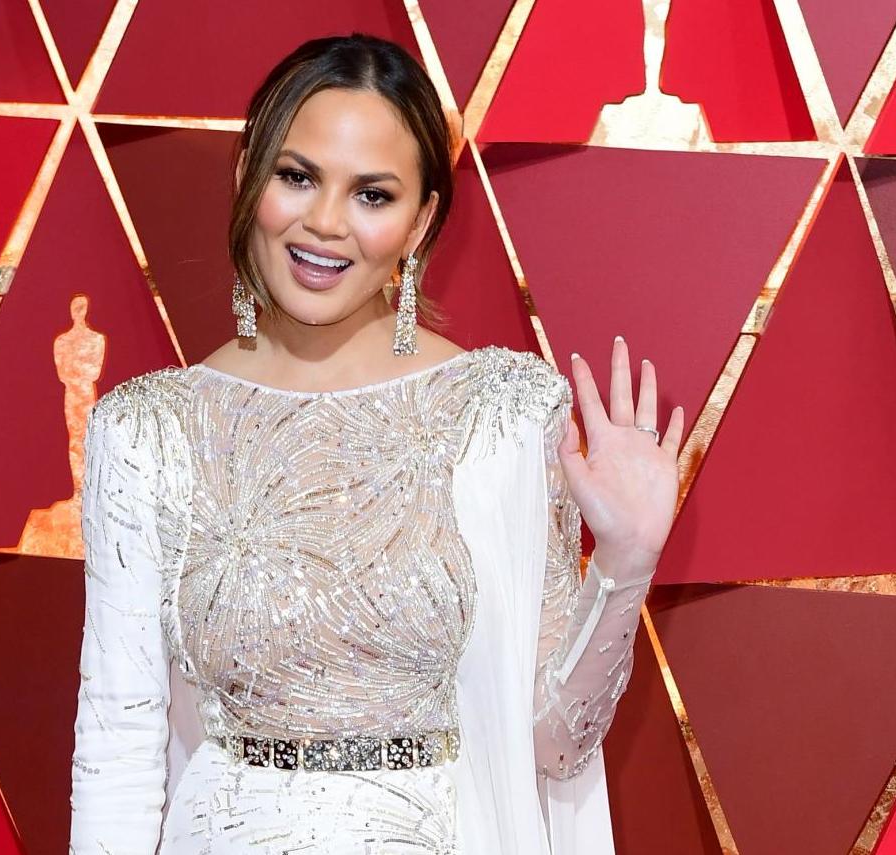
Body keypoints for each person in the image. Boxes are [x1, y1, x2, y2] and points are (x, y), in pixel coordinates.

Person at [68, 33, 682, 855]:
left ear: (422, 219)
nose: (325, 223)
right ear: (248, 173)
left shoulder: (500, 415)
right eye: (298, 176)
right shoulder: (146, 433)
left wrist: (626, 562)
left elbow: (555, 744)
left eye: (373, 194)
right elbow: (117, 746)